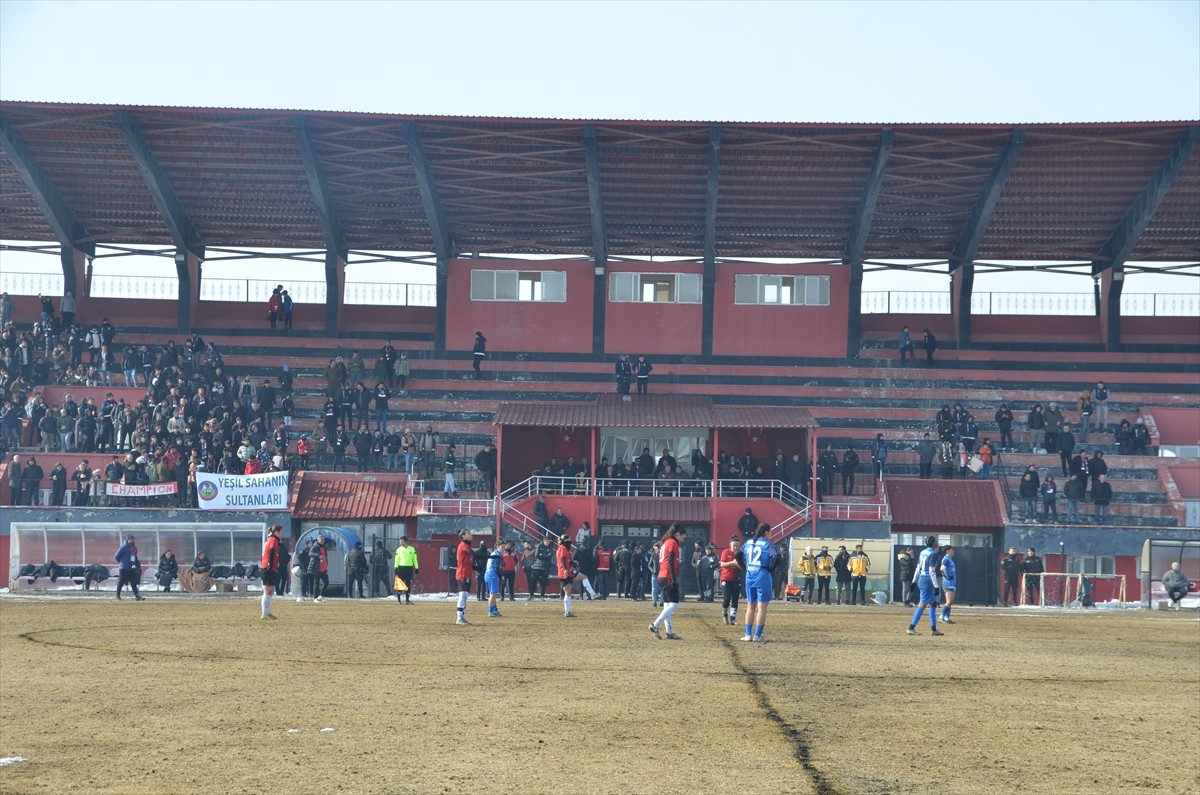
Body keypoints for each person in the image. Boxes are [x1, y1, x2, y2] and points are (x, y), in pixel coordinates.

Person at [740, 522, 777, 642]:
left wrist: (744, 566)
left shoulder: (748, 542)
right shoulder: (767, 544)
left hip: (749, 575)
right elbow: (777, 557)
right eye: (770, 532)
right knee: (762, 607)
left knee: (750, 606)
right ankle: (757, 636)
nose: (770, 534)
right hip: (762, 575)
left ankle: (747, 635)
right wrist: (771, 568)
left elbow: (737, 555)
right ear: (766, 532)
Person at [649, 523, 685, 640]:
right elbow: (670, 560)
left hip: (661, 575)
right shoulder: (672, 543)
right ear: (677, 534)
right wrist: (674, 578)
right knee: (674, 604)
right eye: (683, 537)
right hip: (668, 576)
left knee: (667, 605)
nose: (683, 539)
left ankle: (669, 632)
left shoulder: (665, 542)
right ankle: (655, 624)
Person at [906, 535, 944, 636]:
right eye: (936, 541)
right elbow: (932, 570)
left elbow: (918, 568)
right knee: (922, 604)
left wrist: (914, 581)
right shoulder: (933, 554)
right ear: (933, 543)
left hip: (922, 579)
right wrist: (936, 586)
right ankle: (911, 628)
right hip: (928, 580)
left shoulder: (923, 552)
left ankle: (934, 629)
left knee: (932, 603)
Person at [258, 524, 284, 619]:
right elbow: (271, 553)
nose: (282, 534)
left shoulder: (274, 540)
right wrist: (270, 565)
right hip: (267, 568)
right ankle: (264, 613)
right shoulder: (272, 540)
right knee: (267, 590)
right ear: (276, 532)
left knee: (271, 590)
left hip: (271, 568)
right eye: (281, 532)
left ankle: (267, 612)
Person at [718, 536, 742, 625]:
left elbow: (743, 567)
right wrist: (732, 562)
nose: (736, 547)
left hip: (736, 578)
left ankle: (732, 618)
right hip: (726, 578)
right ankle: (725, 614)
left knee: (735, 599)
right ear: (730, 545)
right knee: (727, 598)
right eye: (734, 545)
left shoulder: (740, 554)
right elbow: (722, 564)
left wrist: (737, 564)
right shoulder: (726, 552)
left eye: (737, 545)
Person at [114, 534, 144, 601]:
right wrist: (122, 562)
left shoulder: (134, 548)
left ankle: (137, 596)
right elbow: (116, 556)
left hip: (131, 568)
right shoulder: (123, 547)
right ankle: (117, 596)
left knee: (133, 582)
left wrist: (136, 563)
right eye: (130, 539)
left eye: (133, 539)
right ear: (127, 540)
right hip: (124, 568)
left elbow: (134, 557)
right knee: (121, 582)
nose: (132, 541)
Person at [556, 535, 578, 618]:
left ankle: (568, 611)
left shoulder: (563, 548)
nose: (570, 541)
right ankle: (567, 612)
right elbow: (562, 559)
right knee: (568, 591)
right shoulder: (562, 548)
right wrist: (565, 569)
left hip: (566, 571)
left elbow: (566, 560)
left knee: (568, 591)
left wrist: (572, 562)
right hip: (564, 572)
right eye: (568, 540)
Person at [454, 530, 473, 625]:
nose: (471, 535)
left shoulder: (467, 545)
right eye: (468, 533)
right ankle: (459, 619)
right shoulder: (463, 545)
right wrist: (487, 556)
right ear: (463, 536)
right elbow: (473, 554)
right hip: (462, 574)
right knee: (462, 595)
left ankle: (462, 616)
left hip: (467, 574)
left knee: (465, 596)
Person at [393, 537, 418, 604]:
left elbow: (414, 559)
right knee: (400, 584)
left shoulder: (412, 549)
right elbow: (396, 560)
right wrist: (396, 567)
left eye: (402, 541)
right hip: (401, 568)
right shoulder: (398, 550)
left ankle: (407, 600)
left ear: (406, 541)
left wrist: (417, 567)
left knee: (408, 584)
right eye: (400, 541)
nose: (401, 543)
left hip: (409, 569)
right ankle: (398, 600)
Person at [307, 534, 330, 602]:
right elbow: (310, 553)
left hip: (324, 568)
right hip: (316, 568)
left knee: (326, 582)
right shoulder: (315, 547)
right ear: (318, 540)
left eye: (324, 539)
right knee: (316, 583)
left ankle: (321, 595)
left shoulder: (324, 547)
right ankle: (315, 597)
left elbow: (325, 556)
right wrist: (318, 555)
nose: (323, 541)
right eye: (322, 539)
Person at [938, 545, 957, 624]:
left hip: (951, 583)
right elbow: (942, 568)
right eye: (952, 550)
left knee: (951, 601)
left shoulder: (950, 559)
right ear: (947, 551)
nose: (953, 551)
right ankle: (941, 617)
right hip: (948, 583)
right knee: (949, 601)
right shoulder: (946, 559)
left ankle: (946, 617)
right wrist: (947, 577)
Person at [485, 542, 503, 618]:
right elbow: (496, 567)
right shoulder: (497, 555)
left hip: (488, 573)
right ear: (497, 546)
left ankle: (494, 609)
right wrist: (500, 576)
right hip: (492, 574)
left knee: (492, 594)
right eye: (502, 547)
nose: (503, 549)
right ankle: (490, 611)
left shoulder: (493, 553)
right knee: (493, 594)